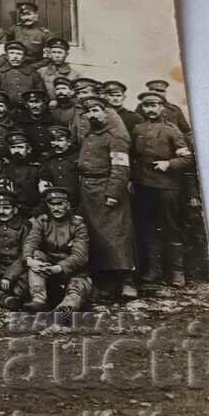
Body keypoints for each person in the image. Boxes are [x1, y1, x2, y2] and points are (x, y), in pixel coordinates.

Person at [131, 91, 195, 286]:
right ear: (142, 108)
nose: (150, 109)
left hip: (167, 187)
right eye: (146, 106)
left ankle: (177, 272)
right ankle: (153, 271)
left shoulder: (172, 130)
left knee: (170, 227)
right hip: (143, 187)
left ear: (161, 107)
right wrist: (131, 179)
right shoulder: (137, 129)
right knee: (147, 228)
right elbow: (133, 157)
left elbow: (187, 158)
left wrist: (168, 164)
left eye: (154, 105)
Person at [76, 96, 136, 300]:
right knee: (95, 237)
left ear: (105, 112)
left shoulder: (116, 136)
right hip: (88, 191)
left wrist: (113, 193)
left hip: (107, 189)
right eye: (89, 111)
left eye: (96, 110)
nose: (92, 114)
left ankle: (127, 281)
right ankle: (105, 282)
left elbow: (121, 167)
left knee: (116, 235)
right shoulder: (88, 135)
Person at [23, 187, 92, 314]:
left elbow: (80, 257)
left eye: (60, 204)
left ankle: (66, 308)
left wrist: (58, 268)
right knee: (36, 255)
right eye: (52, 204)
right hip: (49, 270)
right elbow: (31, 242)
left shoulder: (78, 225)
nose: (56, 208)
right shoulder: (42, 221)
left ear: (68, 204)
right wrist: (29, 260)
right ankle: (38, 300)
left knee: (76, 288)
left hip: (73, 272)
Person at [0, 1, 53, 75]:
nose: (26, 18)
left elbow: (48, 58)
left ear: (36, 15)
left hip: (34, 67)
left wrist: (33, 66)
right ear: (20, 16)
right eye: (23, 15)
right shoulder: (15, 29)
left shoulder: (44, 33)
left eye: (29, 14)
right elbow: (5, 50)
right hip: (14, 64)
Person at [0, 40, 46, 105]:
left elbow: (41, 95)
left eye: (19, 54)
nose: (15, 56)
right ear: (6, 56)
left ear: (24, 58)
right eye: (12, 53)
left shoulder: (33, 74)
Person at [0, 131, 41, 215]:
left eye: (20, 147)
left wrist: (35, 213)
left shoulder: (37, 169)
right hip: (8, 212)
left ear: (28, 149)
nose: (16, 151)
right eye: (13, 147)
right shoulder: (3, 168)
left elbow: (45, 197)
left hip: (31, 212)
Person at [37, 124, 80, 203]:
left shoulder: (77, 158)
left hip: (76, 200)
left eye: (60, 140)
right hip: (56, 201)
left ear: (69, 142)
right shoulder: (48, 159)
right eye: (53, 140)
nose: (56, 144)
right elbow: (44, 180)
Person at [17, 88, 55, 160]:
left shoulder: (52, 120)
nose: (34, 106)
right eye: (31, 102)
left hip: (50, 159)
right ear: (26, 105)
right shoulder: (20, 122)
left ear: (43, 103)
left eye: (37, 102)